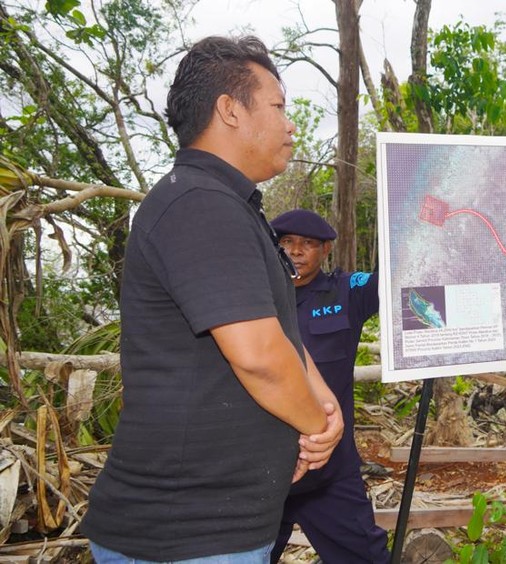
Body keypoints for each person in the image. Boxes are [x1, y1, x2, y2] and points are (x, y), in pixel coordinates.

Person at [81, 36, 344, 562]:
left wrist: (323, 401)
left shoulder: (228, 205)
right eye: (277, 107)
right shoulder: (200, 204)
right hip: (183, 534)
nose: (290, 124)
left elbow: (277, 335)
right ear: (229, 110)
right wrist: (317, 430)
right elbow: (260, 359)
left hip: (218, 527)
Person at [268, 209, 388, 563]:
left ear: (326, 250)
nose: (296, 251)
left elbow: (394, 279)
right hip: (263, 470)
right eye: (287, 242)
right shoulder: (250, 298)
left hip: (330, 469)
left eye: (308, 244)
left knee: (365, 556)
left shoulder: (346, 292)